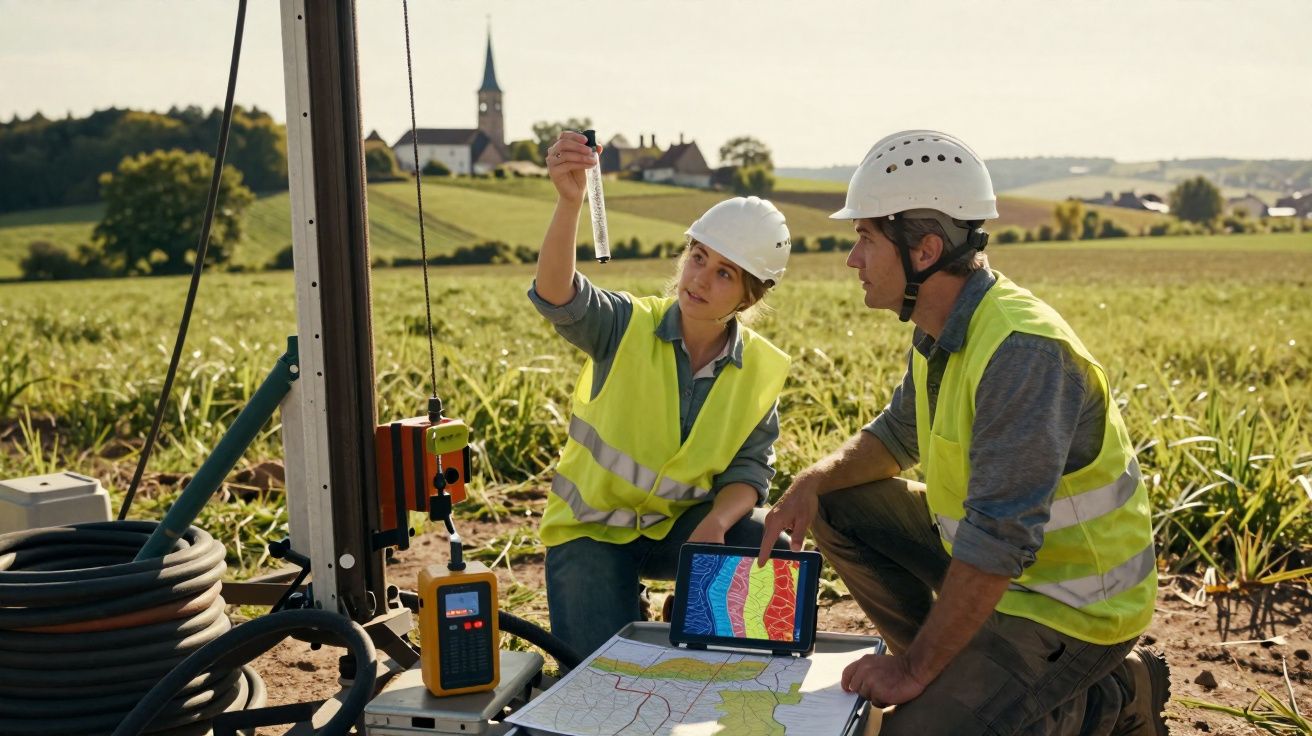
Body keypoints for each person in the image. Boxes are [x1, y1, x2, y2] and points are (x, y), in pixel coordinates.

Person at [758, 130, 1169, 735]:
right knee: (837, 501)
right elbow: (897, 436)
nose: (852, 259)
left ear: (924, 250)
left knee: (910, 733)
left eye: (865, 237)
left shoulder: (1021, 352)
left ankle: (1116, 696)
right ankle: (951, 675)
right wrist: (811, 482)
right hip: (997, 571)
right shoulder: (941, 325)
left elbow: (999, 538)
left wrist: (912, 672)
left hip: (1072, 606)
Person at [533, 131, 792, 657]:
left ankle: (692, 614)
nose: (700, 279)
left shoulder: (758, 369)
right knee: (598, 673)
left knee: (761, 539)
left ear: (748, 298)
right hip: (590, 534)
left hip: (679, 531)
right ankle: (633, 606)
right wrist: (569, 203)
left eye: (724, 273)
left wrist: (716, 524)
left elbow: (750, 472)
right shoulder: (624, 324)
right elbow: (558, 295)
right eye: (698, 257)